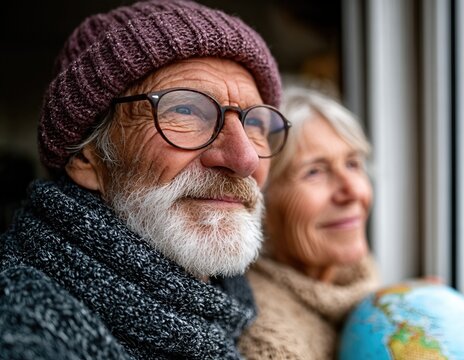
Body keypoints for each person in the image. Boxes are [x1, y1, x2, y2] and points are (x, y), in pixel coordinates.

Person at [0, 1, 290, 359]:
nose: (244, 159)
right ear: (85, 157)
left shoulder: (232, 309)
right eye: (185, 109)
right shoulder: (25, 325)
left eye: (255, 124)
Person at [238, 86, 380, 359]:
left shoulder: (357, 281)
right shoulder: (268, 344)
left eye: (352, 164)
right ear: (259, 202)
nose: (353, 190)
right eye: (314, 171)